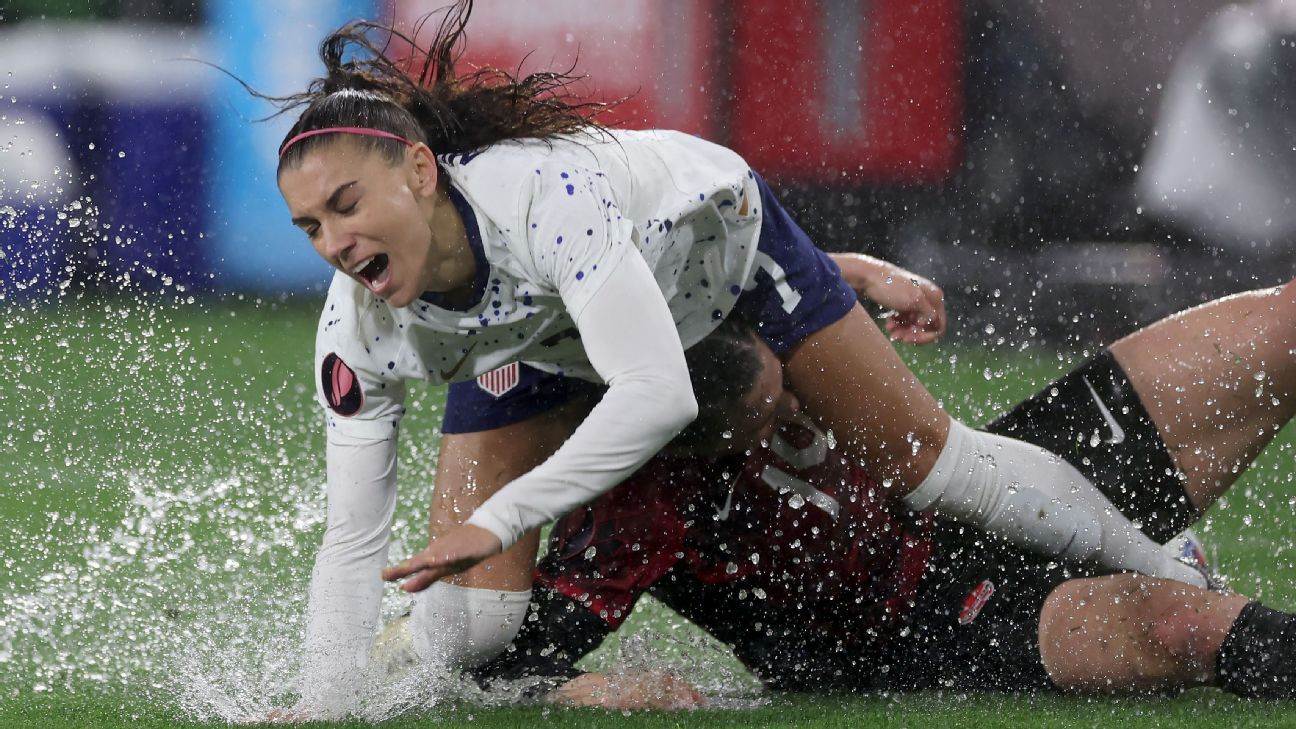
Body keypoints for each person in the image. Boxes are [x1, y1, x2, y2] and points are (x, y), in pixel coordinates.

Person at [268, 2, 1206, 716]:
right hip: (560, 329)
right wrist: (320, 707)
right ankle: (397, 671)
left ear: (422, 172)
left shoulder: (541, 199)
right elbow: (354, 535)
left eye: (347, 204)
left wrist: (505, 515)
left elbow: (658, 393)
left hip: (719, 258)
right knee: (479, 625)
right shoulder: (357, 330)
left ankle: (1166, 565)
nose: (333, 241)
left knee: (934, 467)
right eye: (310, 224)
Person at [460, 285, 1296, 706]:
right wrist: (580, 689)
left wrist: (855, 271)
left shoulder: (710, 287)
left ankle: (1146, 554)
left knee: (1282, 326)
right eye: (765, 418)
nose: (801, 402)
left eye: (786, 379)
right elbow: (487, 661)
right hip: (924, 627)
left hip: (985, 486)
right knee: (1181, 621)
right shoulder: (632, 510)